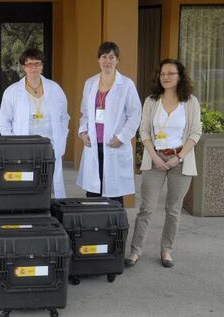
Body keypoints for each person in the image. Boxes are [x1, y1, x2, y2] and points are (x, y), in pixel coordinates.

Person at [125, 59, 202, 268]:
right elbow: (144, 131)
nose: (166, 77)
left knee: (173, 210)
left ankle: (166, 250)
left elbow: (195, 132)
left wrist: (178, 157)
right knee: (146, 208)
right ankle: (135, 251)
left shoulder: (191, 102)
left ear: (180, 76)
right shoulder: (151, 101)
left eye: (171, 73)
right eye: (162, 74)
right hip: (155, 159)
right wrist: (155, 157)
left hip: (181, 161)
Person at [76, 41, 141, 206]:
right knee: (93, 191)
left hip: (114, 143)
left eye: (112, 57)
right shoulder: (90, 83)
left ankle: (114, 229)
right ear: (98, 60)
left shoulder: (126, 84)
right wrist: (83, 132)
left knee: (114, 192)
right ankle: (93, 228)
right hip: (93, 143)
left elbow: (135, 114)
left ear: (117, 60)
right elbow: (84, 113)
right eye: (104, 57)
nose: (107, 61)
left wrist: (122, 137)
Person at [0, 48, 70, 198]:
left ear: (42, 66)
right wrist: (14, 145)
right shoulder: (12, 92)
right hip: (25, 146)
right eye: (29, 64)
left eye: (37, 64)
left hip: (51, 145)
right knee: (28, 184)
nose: (34, 68)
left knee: (51, 186)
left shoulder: (55, 89)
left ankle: (51, 216)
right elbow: (4, 123)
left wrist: (62, 140)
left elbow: (64, 117)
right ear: (23, 67)